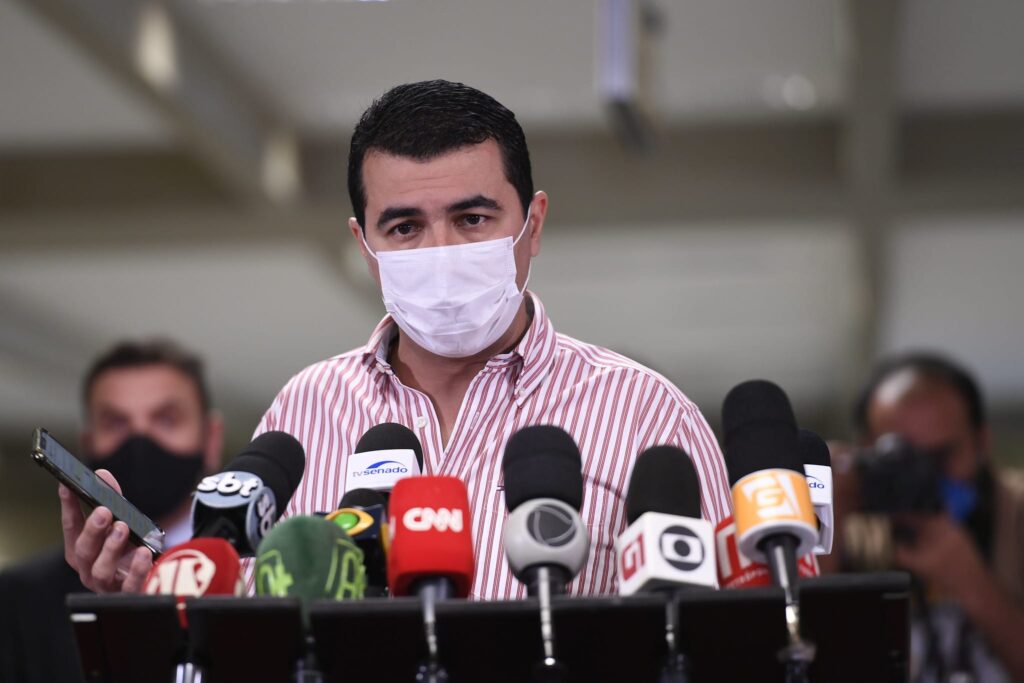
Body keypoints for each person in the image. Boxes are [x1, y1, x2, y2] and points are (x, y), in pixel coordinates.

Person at [62, 80, 732, 600]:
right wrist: (149, 598)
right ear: (364, 245)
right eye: (405, 227)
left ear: (533, 224)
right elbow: (247, 628)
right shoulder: (305, 411)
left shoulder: (649, 416)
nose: (441, 251)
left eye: (472, 217)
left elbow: (734, 629)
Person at [0, 339, 223, 683]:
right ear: (88, 443)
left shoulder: (255, 574)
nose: (140, 440)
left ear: (211, 439)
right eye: (116, 423)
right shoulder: (19, 600)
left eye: (166, 419)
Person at [843, 352, 1024, 682]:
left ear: (982, 442)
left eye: (940, 457)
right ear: (865, 452)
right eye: (901, 458)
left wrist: (973, 585)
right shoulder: (856, 528)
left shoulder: (1017, 516)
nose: (923, 477)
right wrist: (829, 509)